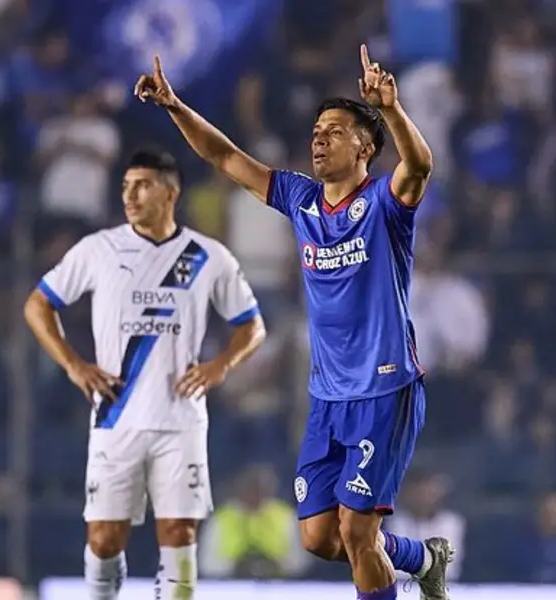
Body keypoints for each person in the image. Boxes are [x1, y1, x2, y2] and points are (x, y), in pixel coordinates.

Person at [136, 46, 453, 600]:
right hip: (328, 396)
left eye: (334, 129)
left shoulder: (383, 202)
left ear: (366, 147)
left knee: (358, 531)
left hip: (384, 386)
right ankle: (421, 558)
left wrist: (393, 109)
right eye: (316, 129)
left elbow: (420, 166)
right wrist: (175, 107)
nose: (319, 137)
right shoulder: (301, 200)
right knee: (320, 539)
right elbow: (227, 158)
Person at [24, 149, 267, 599]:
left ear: (170, 192)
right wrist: (73, 364)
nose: (130, 195)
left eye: (142, 185)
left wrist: (221, 365)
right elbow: (38, 304)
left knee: (179, 534)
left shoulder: (206, 256)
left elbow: (252, 325)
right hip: (117, 417)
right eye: (125, 186)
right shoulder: (99, 249)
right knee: (103, 539)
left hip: (182, 419)